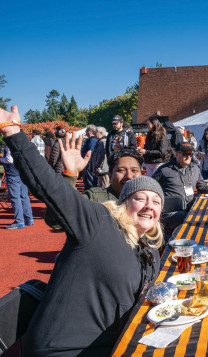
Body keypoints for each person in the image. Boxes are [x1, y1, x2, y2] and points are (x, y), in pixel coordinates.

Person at [0, 105, 164, 356]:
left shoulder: (149, 247)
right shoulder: (98, 222)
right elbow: (49, 188)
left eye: (156, 202)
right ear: (125, 201)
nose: (148, 206)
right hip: (65, 350)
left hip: (115, 344)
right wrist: (13, 132)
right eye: (140, 198)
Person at [153, 142, 208, 232]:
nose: (188, 156)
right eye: (185, 154)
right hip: (172, 213)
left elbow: (202, 187)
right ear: (176, 154)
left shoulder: (195, 168)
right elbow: (150, 187)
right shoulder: (164, 170)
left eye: (190, 154)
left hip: (190, 209)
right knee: (190, 218)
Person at [1, 145, 34, 229]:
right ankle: (29, 219)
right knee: (24, 197)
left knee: (15, 198)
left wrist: (1, 159)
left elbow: (9, 159)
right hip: (22, 173)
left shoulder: (9, 144)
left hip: (13, 173)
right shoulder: (21, 142)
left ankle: (19, 221)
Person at [81, 125, 99, 190]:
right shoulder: (90, 140)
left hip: (89, 164)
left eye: (86, 130)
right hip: (87, 164)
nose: (85, 132)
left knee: (90, 181)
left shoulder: (93, 140)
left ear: (90, 131)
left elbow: (90, 152)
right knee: (86, 180)